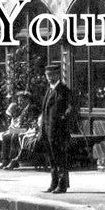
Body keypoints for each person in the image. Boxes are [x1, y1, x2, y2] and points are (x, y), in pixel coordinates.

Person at [40, 63, 75, 193]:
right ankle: (54, 182)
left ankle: (62, 184)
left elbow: (71, 108)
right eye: (47, 75)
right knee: (52, 159)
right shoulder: (49, 90)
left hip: (59, 131)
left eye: (52, 75)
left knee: (60, 158)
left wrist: (62, 119)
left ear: (57, 75)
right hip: (47, 130)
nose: (49, 78)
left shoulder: (64, 91)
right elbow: (45, 111)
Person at [0, 91, 37, 169]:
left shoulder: (31, 108)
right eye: (18, 100)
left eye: (21, 100)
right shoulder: (22, 109)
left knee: (14, 135)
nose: (19, 102)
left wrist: (19, 128)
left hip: (28, 130)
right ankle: (5, 160)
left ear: (27, 100)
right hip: (22, 129)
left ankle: (13, 160)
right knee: (6, 136)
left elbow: (31, 122)